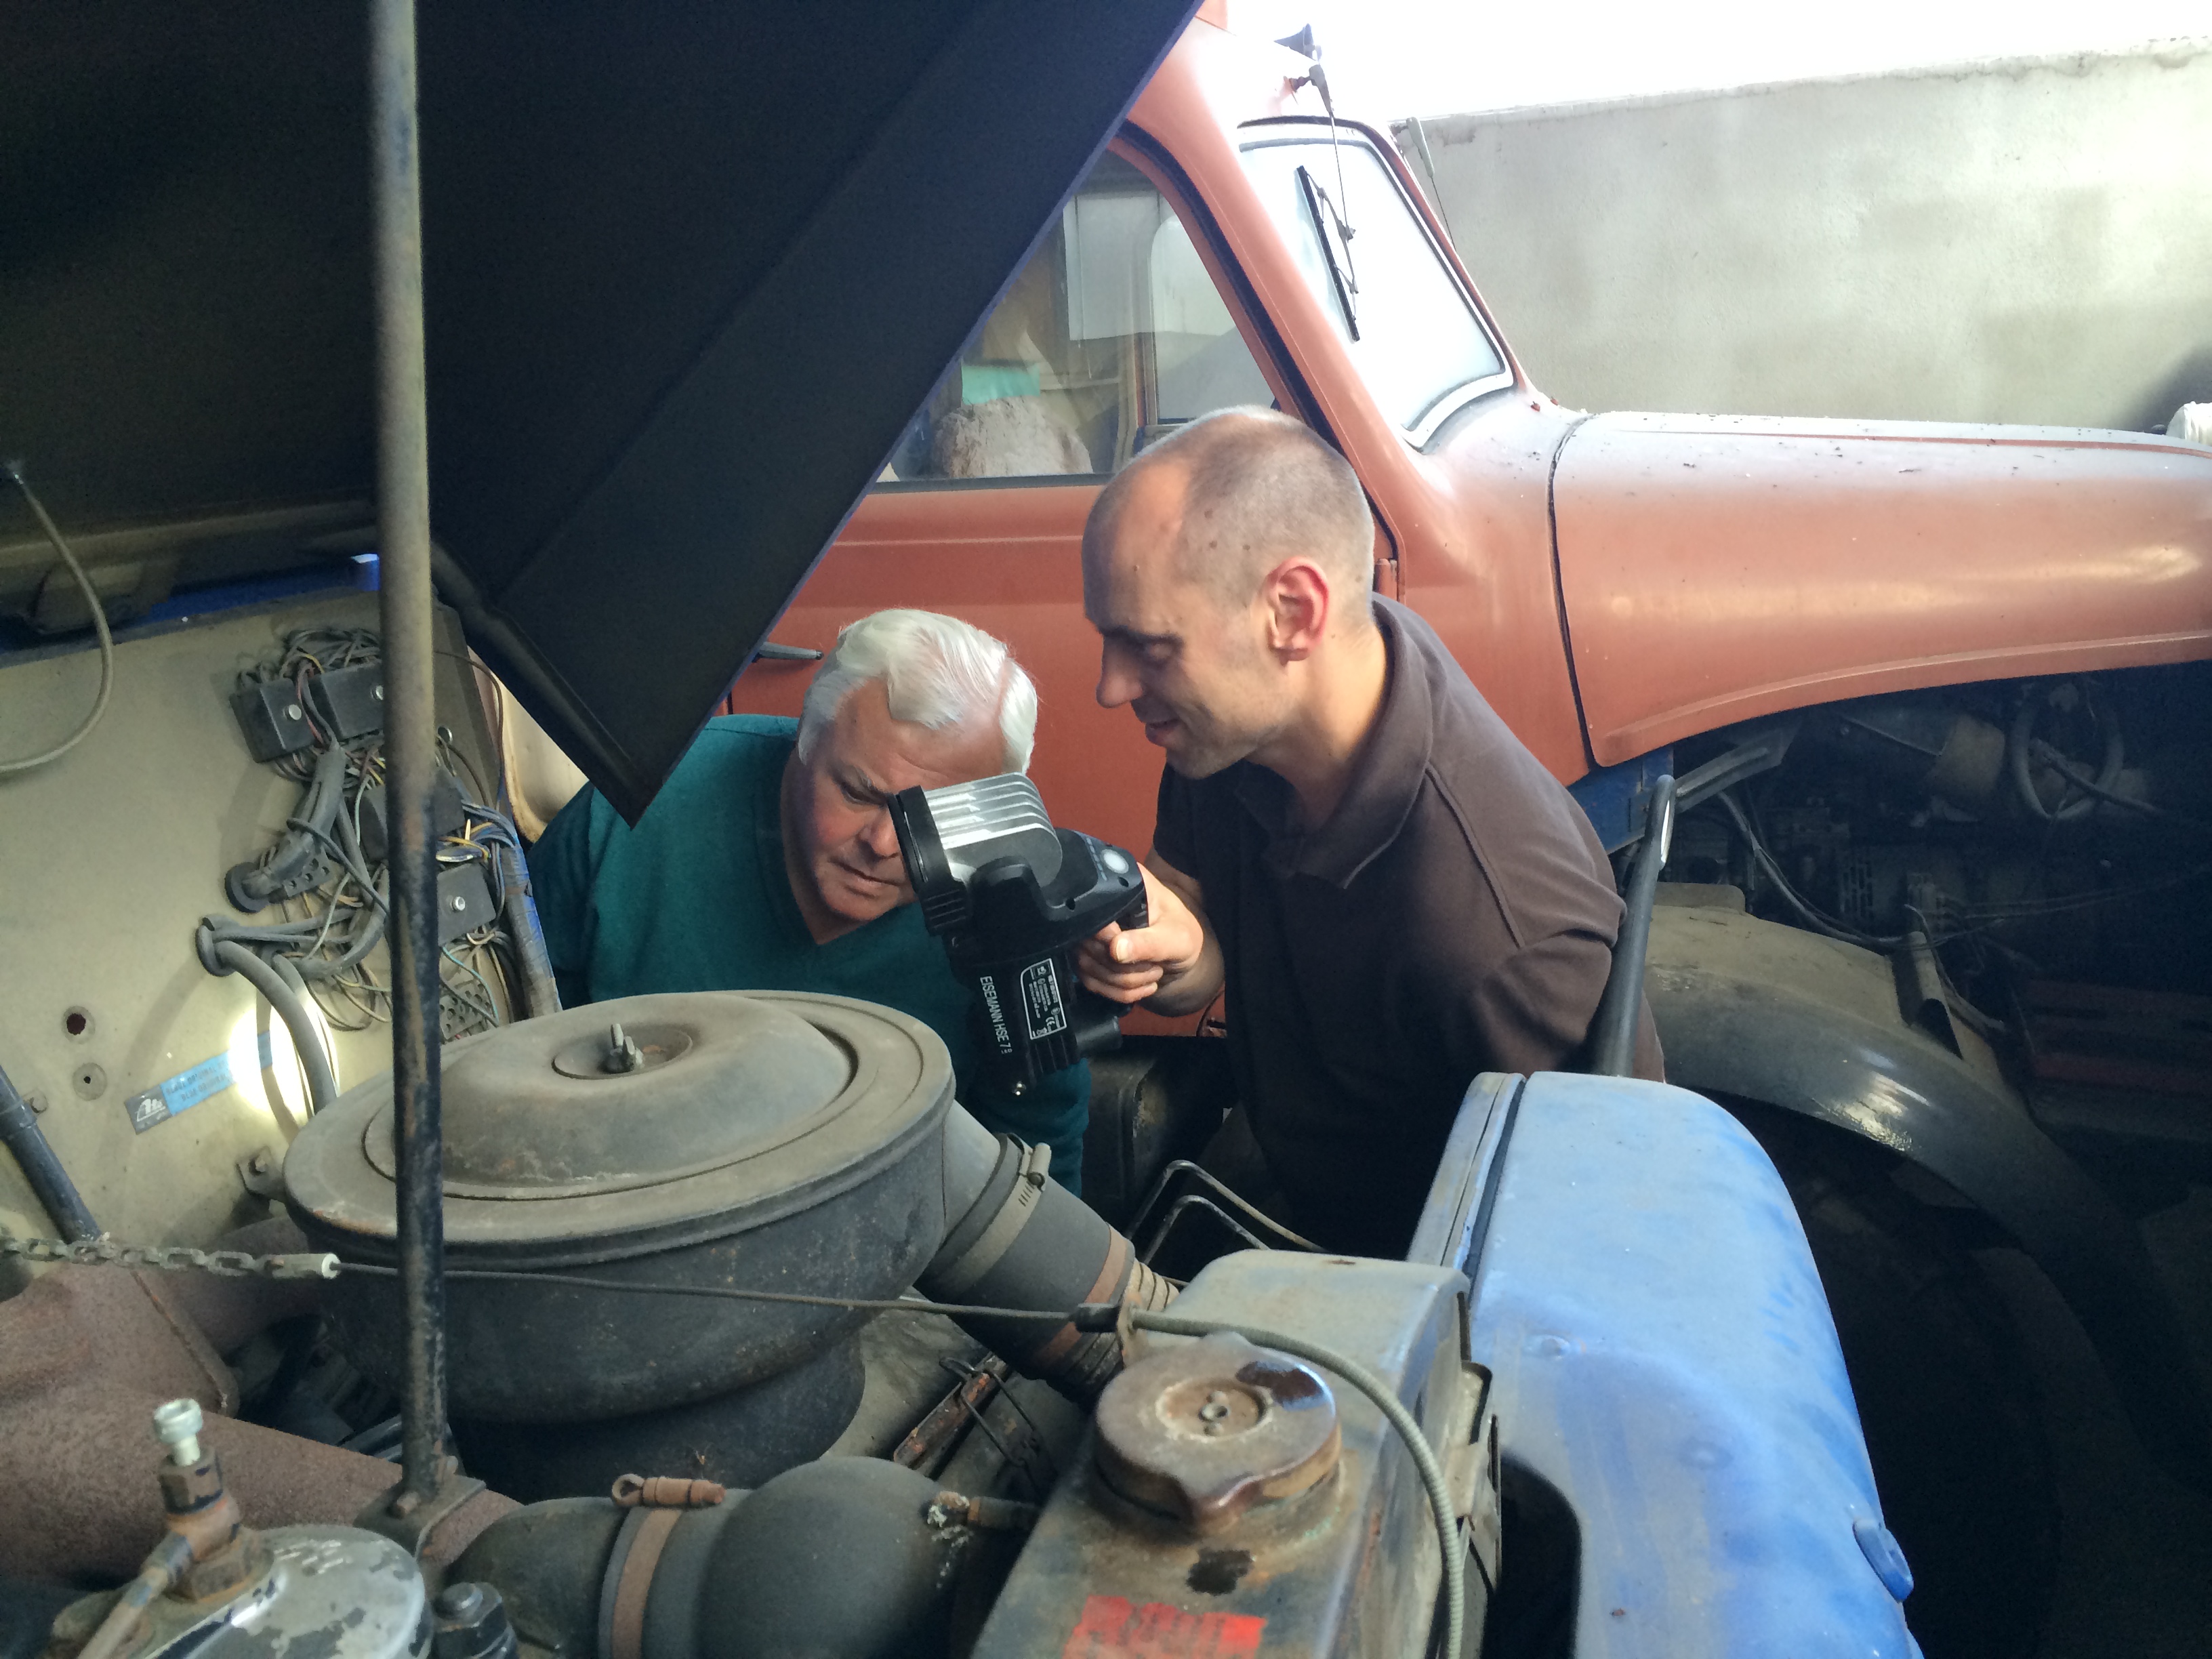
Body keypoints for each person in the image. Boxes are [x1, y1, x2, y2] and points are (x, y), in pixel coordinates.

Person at [1075, 409, 1660, 1254]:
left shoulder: (1494, 934)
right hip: (1304, 1185)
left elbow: (1608, 1238)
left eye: (1150, 648)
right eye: (1109, 641)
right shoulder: (1244, 727)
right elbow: (1196, 941)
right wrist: (1173, 951)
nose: (1111, 687)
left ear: (1294, 612)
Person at [529, 609, 1090, 1192]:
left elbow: (1039, 1153)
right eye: (857, 793)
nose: (883, 844)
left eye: (931, 822)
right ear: (805, 738)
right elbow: (508, 1039)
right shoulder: (632, 816)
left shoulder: (1013, 905)